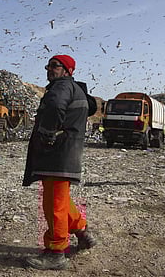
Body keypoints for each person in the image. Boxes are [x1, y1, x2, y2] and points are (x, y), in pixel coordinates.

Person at [23, 55, 97, 270]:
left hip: (57, 154)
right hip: (66, 153)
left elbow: (55, 106)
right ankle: (82, 232)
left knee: (53, 203)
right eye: (48, 65)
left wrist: (46, 134)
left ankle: (56, 252)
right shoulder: (75, 89)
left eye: (55, 66)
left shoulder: (61, 87)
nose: (49, 69)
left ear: (68, 70)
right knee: (61, 199)